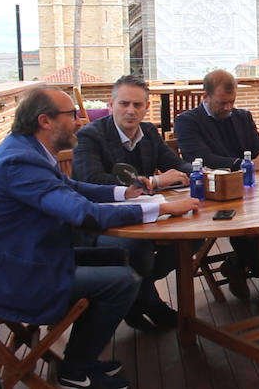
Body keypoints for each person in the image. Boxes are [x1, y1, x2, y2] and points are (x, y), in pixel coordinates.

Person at [0, 87, 198, 389]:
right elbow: (84, 214)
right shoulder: (20, 162)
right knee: (123, 280)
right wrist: (160, 207)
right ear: (45, 121)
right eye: (71, 114)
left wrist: (124, 193)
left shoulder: (25, 149)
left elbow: (72, 187)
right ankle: (74, 373)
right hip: (9, 277)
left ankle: (81, 361)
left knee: (120, 258)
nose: (78, 121)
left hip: (28, 258)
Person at [72, 75, 193, 331]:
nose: (131, 110)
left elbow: (174, 164)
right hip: (103, 222)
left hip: (148, 215)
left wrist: (203, 173)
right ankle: (148, 300)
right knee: (138, 249)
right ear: (111, 104)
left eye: (138, 105)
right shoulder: (90, 135)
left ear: (146, 107)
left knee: (195, 235)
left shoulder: (148, 132)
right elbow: (91, 180)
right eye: (124, 103)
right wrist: (155, 182)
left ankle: (137, 294)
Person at [174, 70, 259, 299]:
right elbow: (200, 158)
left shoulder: (242, 116)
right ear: (206, 96)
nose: (228, 108)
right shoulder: (187, 121)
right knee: (252, 226)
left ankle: (239, 264)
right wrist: (245, 164)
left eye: (232, 102)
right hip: (214, 194)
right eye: (222, 103)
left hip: (254, 190)